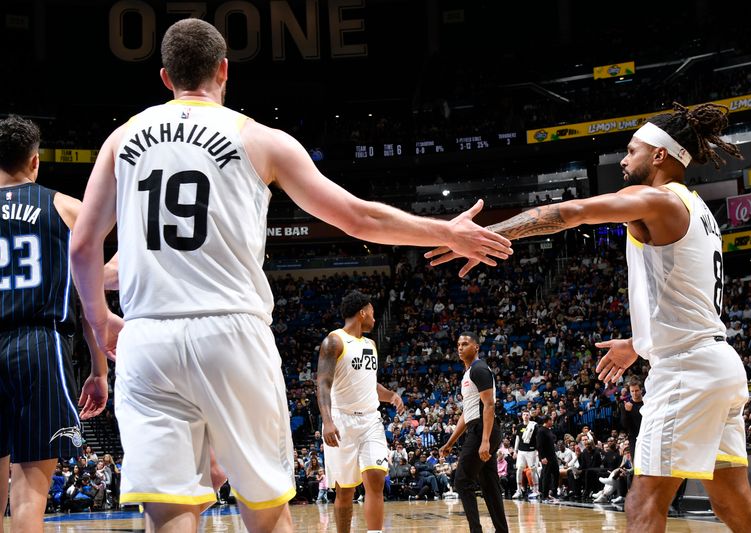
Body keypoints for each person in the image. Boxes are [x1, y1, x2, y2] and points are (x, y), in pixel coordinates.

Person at [68, 18, 511, 533]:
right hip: (231, 334)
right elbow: (357, 216)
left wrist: (101, 323)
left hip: (148, 338)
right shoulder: (258, 138)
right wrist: (446, 233)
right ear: (224, 70)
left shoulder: (122, 140)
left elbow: (83, 248)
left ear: (165, 77)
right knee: (265, 511)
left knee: (169, 512)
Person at [428, 103, 751, 532]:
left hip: (686, 369)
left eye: (632, 150)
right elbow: (687, 297)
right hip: (719, 365)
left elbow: (566, 214)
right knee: (733, 502)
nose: (624, 160)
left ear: (661, 156)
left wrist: (483, 236)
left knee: (643, 502)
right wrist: (639, 343)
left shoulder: (654, 198)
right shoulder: (699, 210)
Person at [0, 115, 115, 533]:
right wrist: (98, 369)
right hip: (39, 345)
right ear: (34, 161)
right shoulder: (65, 207)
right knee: (30, 490)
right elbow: (89, 295)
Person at [316, 290, 404, 533]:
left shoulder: (371, 344)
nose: (375, 320)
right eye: (373, 314)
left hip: (371, 421)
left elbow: (368, 383)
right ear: (362, 312)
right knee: (345, 491)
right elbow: (323, 383)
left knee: (376, 478)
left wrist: (390, 395)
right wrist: (327, 421)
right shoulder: (334, 341)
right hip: (341, 422)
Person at [440, 332, 509, 533]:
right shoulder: (468, 373)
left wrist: (485, 440)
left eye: (465, 344)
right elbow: (467, 413)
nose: (460, 348)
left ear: (476, 347)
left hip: (483, 429)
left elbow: (489, 405)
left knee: (462, 481)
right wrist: (451, 442)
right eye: (458, 344)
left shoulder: (479, 369)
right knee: (489, 484)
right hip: (478, 427)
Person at [511, 410, 538, 499]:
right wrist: (515, 451)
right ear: (522, 416)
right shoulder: (519, 426)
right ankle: (519, 490)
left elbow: (537, 438)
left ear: (529, 416)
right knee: (519, 469)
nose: (526, 416)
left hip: (531, 451)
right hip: (521, 451)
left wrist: (537, 450)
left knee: (533, 470)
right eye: (524, 415)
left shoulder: (534, 426)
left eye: (527, 415)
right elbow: (517, 439)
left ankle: (535, 490)